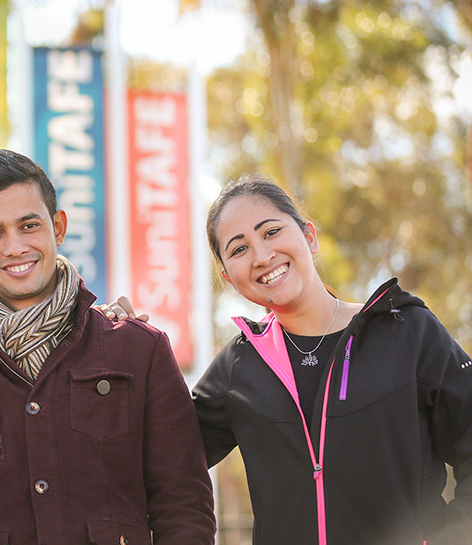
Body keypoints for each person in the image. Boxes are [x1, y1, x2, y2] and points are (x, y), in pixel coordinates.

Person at [0, 149, 216, 544]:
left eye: (29, 226)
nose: (14, 247)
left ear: (58, 227)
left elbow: (183, 509)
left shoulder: (139, 351)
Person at [190, 175, 472, 544]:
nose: (261, 256)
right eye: (239, 249)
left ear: (309, 236)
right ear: (230, 278)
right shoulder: (237, 368)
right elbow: (151, 454)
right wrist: (116, 340)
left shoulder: (407, 331)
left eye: (271, 232)